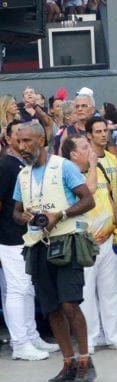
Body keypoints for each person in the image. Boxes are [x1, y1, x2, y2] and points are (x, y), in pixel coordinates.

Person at [12, 122, 97, 382]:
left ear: (41, 139)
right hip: (38, 245)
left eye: (27, 141)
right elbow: (16, 211)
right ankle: (68, 363)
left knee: (70, 304)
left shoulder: (64, 167)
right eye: (19, 142)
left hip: (67, 241)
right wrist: (22, 216)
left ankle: (85, 361)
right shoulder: (23, 175)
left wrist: (59, 214)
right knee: (51, 310)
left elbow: (87, 200)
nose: (22, 147)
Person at [62, 135, 117, 353]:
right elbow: (89, 190)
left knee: (111, 290)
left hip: (108, 238)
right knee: (87, 293)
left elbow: (110, 199)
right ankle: (90, 338)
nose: (90, 150)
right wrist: (93, 165)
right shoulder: (69, 174)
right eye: (84, 147)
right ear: (73, 154)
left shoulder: (99, 169)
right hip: (84, 243)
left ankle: (114, 335)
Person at [0, 121, 60, 360]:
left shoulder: (24, 165)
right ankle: (20, 343)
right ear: (9, 138)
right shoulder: (6, 165)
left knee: (27, 290)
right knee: (17, 289)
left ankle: (32, 336)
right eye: (18, 136)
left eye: (27, 137)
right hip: (10, 238)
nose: (23, 140)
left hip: (27, 237)